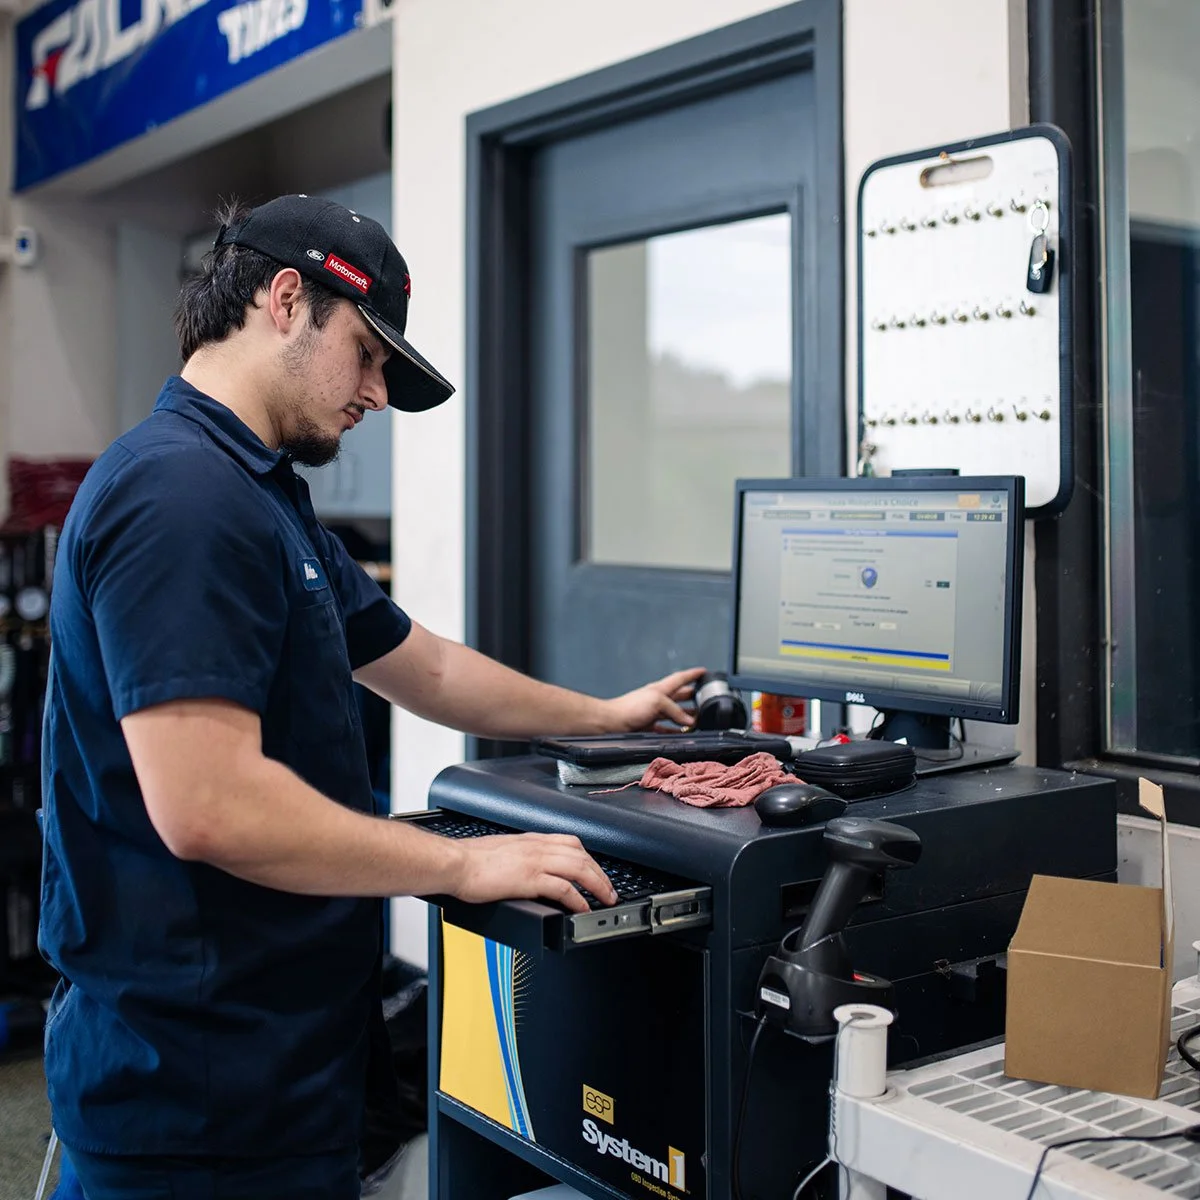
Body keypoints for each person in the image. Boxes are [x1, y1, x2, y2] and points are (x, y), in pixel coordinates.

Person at [39, 193, 703, 1200]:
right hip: (197, 1101)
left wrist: (607, 715)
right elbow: (208, 807)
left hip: (280, 1070)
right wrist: (458, 867)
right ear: (285, 297)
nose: (378, 396)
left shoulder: (258, 496)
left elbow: (425, 667)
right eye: (368, 354)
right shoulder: (181, 498)